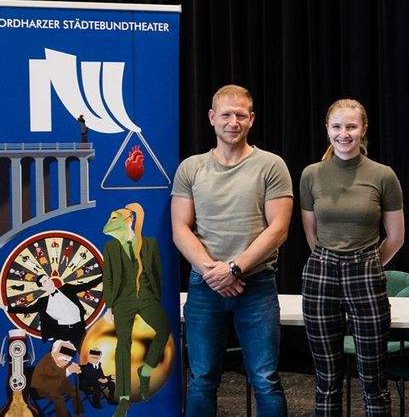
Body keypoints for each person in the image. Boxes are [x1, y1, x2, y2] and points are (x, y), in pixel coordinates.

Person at [171, 84, 293, 417]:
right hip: (204, 287)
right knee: (201, 379)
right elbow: (181, 228)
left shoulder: (271, 165)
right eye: (226, 114)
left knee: (265, 379)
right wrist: (215, 272)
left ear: (251, 119)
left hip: (256, 286)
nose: (233, 122)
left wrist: (234, 269)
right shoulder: (191, 168)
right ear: (212, 118)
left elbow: (278, 228)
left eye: (241, 115)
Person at [300, 98, 404, 416]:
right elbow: (311, 235)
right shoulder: (311, 175)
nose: (344, 134)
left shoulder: (383, 175)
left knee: (373, 380)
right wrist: (335, 260)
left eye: (351, 126)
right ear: (327, 129)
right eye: (337, 127)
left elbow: (397, 237)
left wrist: (367, 263)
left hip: (366, 274)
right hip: (321, 274)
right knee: (327, 379)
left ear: (363, 129)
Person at [102, 202, 171, 417]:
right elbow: (109, 279)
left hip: (147, 297)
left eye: (116, 218)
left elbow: (157, 273)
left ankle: (146, 370)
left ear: (129, 220)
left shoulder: (149, 243)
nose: (111, 223)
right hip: (122, 300)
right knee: (123, 345)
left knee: (164, 329)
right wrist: (109, 306)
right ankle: (123, 399)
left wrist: (155, 298)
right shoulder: (111, 248)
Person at [2, 274, 102, 349]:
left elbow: (87, 286)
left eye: (48, 279)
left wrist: (103, 277)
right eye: (45, 282)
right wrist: (7, 308)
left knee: (84, 356)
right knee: (53, 359)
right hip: (62, 331)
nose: (49, 282)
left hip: (79, 328)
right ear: (42, 288)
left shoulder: (67, 288)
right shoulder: (42, 302)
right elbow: (28, 309)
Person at [30, 340, 83, 417]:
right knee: (59, 398)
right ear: (54, 350)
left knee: (75, 391)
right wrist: (69, 370)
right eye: (64, 351)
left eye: (70, 354)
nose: (67, 357)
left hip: (56, 384)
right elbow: (53, 375)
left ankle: (79, 414)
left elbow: (60, 375)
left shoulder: (62, 360)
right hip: (41, 387)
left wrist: (74, 369)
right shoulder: (47, 361)